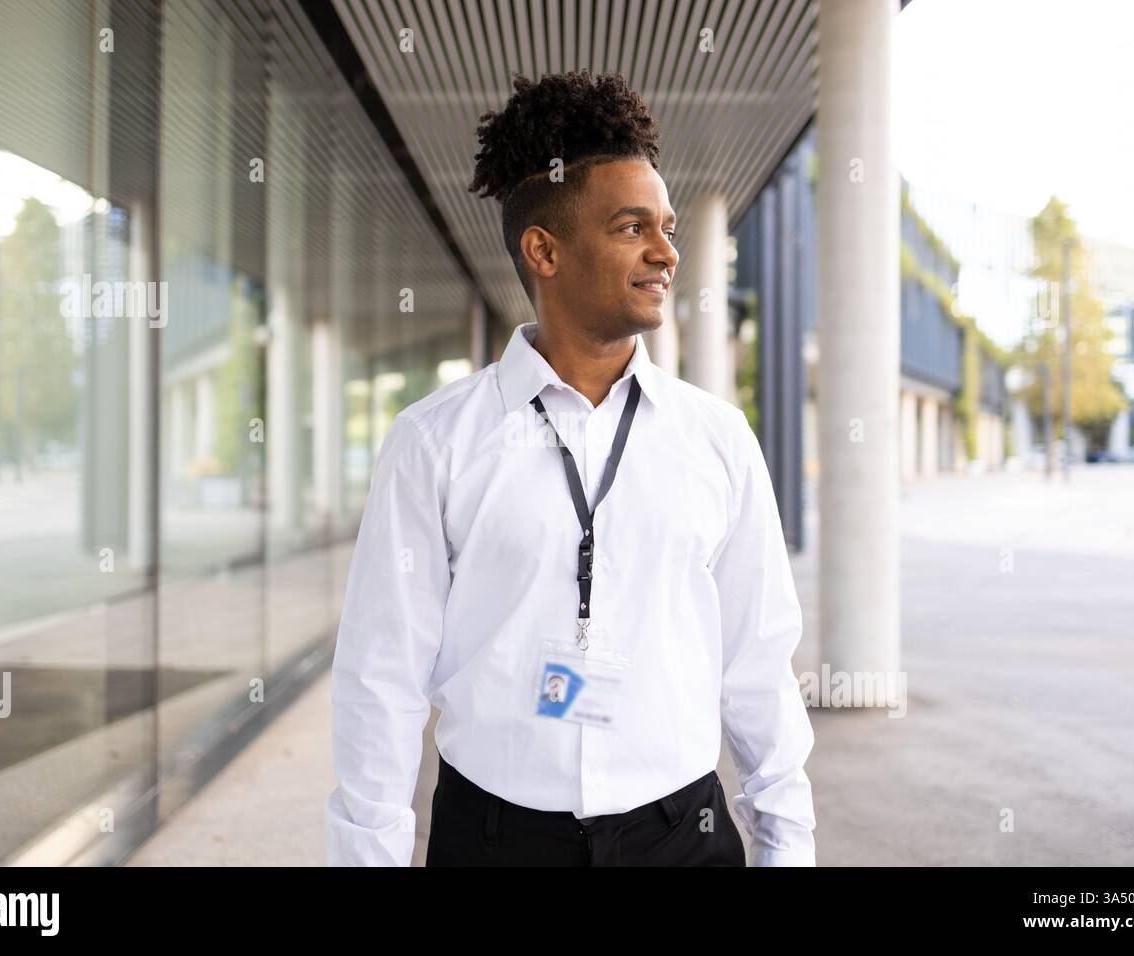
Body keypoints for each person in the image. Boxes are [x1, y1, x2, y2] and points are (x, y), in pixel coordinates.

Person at [325, 69, 815, 867]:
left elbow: (758, 660)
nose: (666, 251)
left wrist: (787, 850)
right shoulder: (433, 442)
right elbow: (381, 680)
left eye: (667, 225)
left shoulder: (718, 439)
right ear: (544, 250)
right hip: (492, 841)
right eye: (632, 227)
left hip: (681, 840)